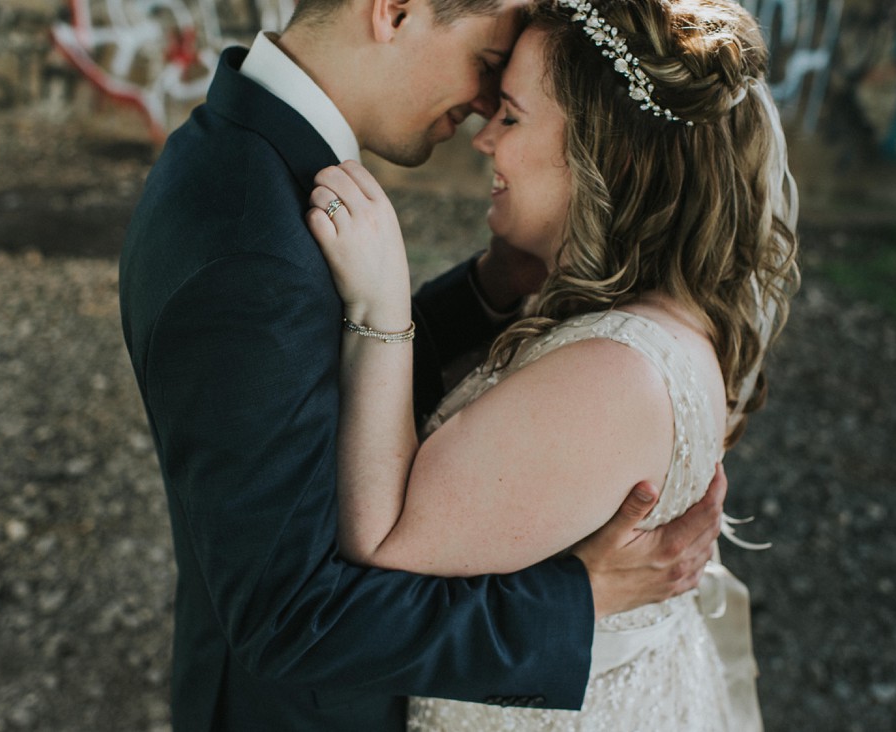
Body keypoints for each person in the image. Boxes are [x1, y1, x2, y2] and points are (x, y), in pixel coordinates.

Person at [117, 0, 730, 729]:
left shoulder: (241, 157)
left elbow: (308, 387)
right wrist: (580, 600)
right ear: (396, 10)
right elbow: (289, 617)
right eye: (486, 64)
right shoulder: (249, 243)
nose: (480, 110)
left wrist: (484, 293)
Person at [307, 0, 800, 729]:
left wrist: (382, 310)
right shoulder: (638, 319)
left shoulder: (615, 371)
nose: (483, 141)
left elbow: (382, 542)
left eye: (510, 115)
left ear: (610, 154)